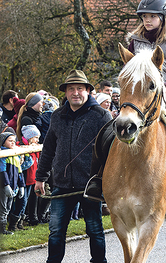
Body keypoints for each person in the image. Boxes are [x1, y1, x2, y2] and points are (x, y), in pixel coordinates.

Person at [86, 0, 166, 204]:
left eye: (152, 16)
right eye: (144, 17)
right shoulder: (135, 42)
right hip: (138, 102)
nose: (147, 20)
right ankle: (97, 178)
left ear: (163, 18)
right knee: (108, 132)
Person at [34, 69, 110, 263]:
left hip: (90, 186)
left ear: (88, 91)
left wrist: (107, 183)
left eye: (79, 88)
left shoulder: (102, 116)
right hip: (62, 184)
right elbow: (48, 149)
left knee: (95, 230)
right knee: (56, 231)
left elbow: (111, 153)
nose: (75, 93)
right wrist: (40, 177)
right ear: (65, 92)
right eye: (71, 89)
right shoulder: (57, 115)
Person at [8, 125, 41, 230]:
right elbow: (24, 165)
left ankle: (19, 223)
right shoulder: (22, 148)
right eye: (36, 137)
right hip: (25, 179)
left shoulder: (33, 148)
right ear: (30, 137)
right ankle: (14, 223)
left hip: (32, 178)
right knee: (22, 201)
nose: (37, 140)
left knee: (25, 201)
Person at [0, 132, 25, 235]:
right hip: (3, 186)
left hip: (13, 186)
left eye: (14, 141)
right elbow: (2, 171)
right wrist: (6, 185)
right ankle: (2, 230)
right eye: (10, 141)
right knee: (3, 208)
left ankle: (4, 228)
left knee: (8, 207)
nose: (13, 143)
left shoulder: (15, 154)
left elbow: (19, 171)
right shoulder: (3, 155)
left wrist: (21, 185)